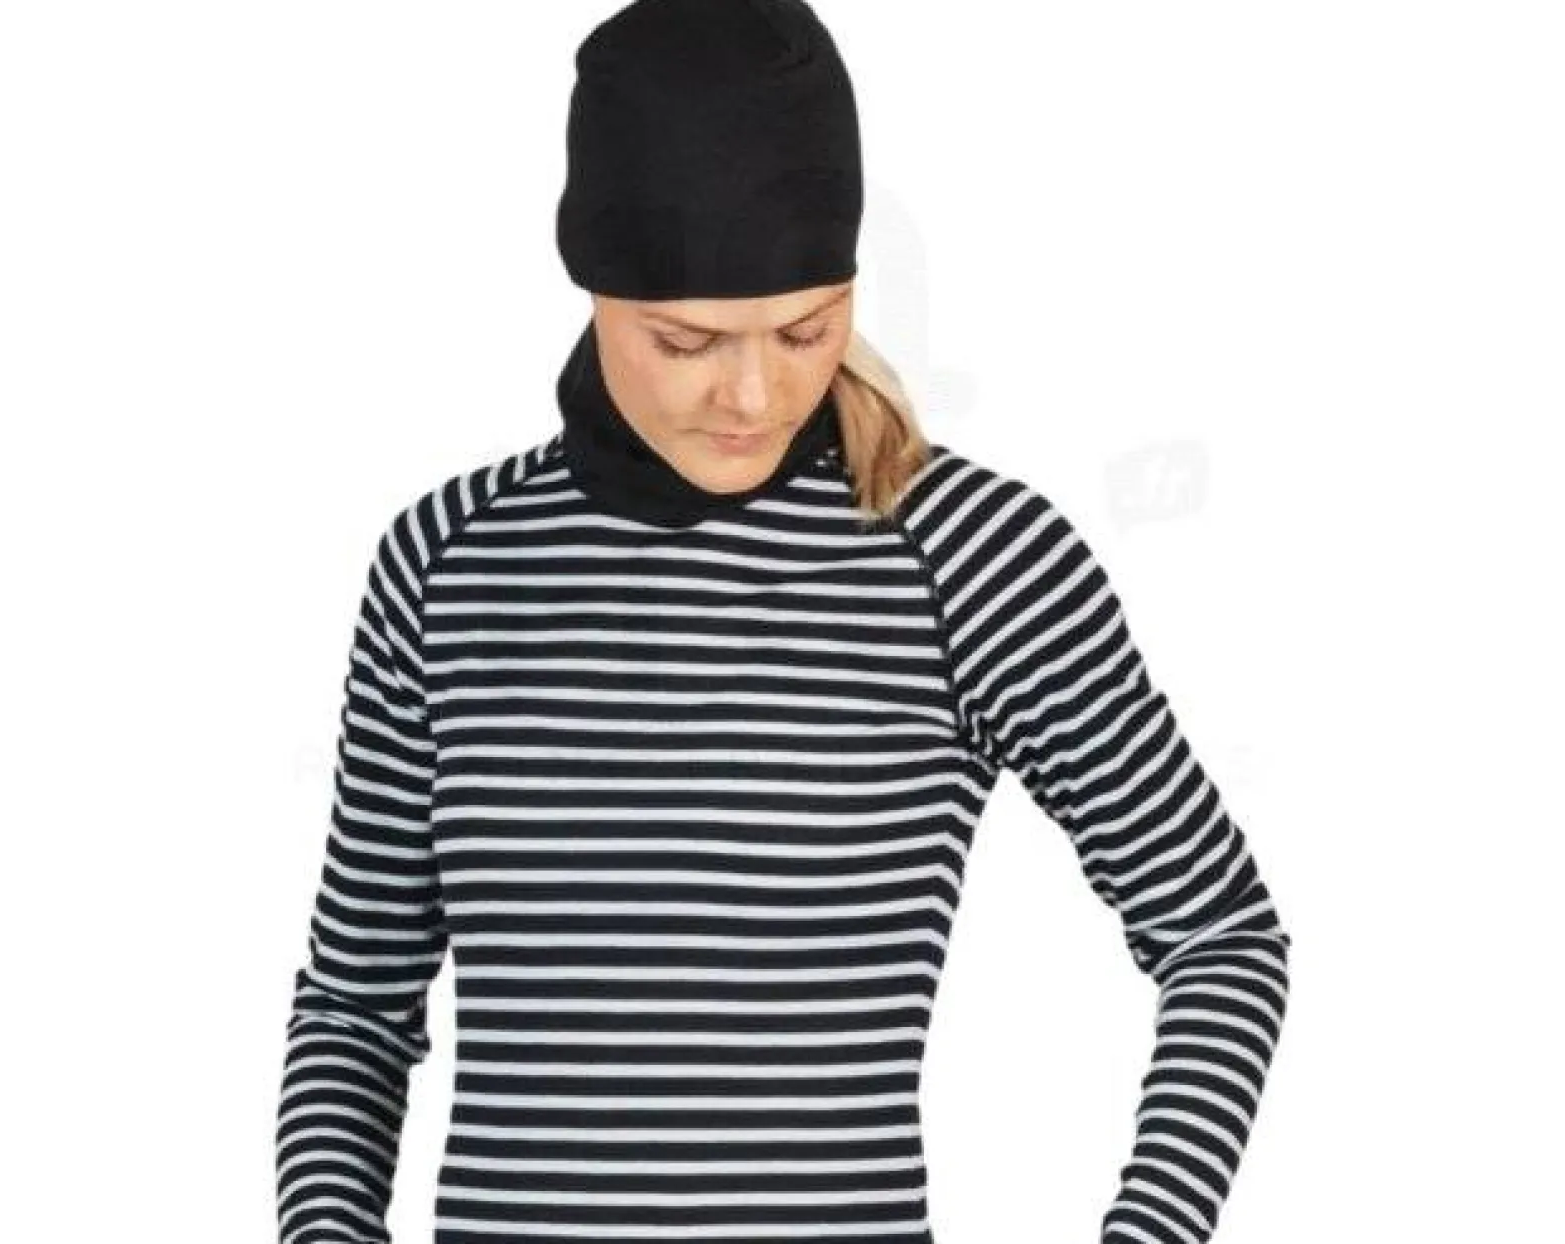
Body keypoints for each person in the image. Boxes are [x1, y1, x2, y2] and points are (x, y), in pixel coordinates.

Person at [272, 2, 1292, 1242]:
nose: (754, 394)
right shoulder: (447, 563)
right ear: (595, 286)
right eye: (688, 341)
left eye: (808, 329)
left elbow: (1220, 937)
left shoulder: (968, 554)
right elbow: (355, 1005)